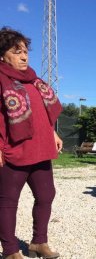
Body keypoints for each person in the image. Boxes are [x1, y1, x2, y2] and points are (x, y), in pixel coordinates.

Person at [0, 27, 62, 259]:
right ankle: (10, 251)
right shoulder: (1, 80)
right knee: (7, 201)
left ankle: (38, 243)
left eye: (25, 51)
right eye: (17, 52)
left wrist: (52, 133)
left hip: (41, 149)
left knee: (46, 195)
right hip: (14, 150)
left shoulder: (34, 80)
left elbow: (43, 111)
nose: (24, 56)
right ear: (2, 55)